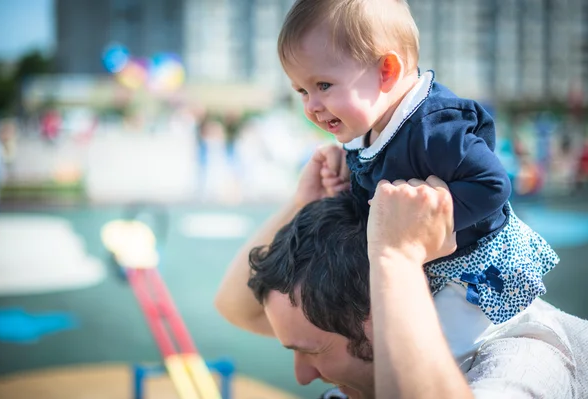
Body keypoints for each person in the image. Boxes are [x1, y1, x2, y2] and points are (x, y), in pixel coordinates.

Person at [215, 145, 588, 398]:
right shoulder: (364, 318)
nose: (303, 376)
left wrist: (399, 257)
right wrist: (305, 203)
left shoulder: (530, 363)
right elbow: (238, 307)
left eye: (311, 351)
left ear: (378, 314)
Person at [276, 0, 559, 327]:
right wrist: (345, 179)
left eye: (322, 85)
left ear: (386, 72)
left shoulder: (433, 130)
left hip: (474, 272)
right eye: (301, 90)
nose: (311, 105)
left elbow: (492, 185)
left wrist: (427, 226)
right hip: (427, 267)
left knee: (434, 356)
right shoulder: (368, 128)